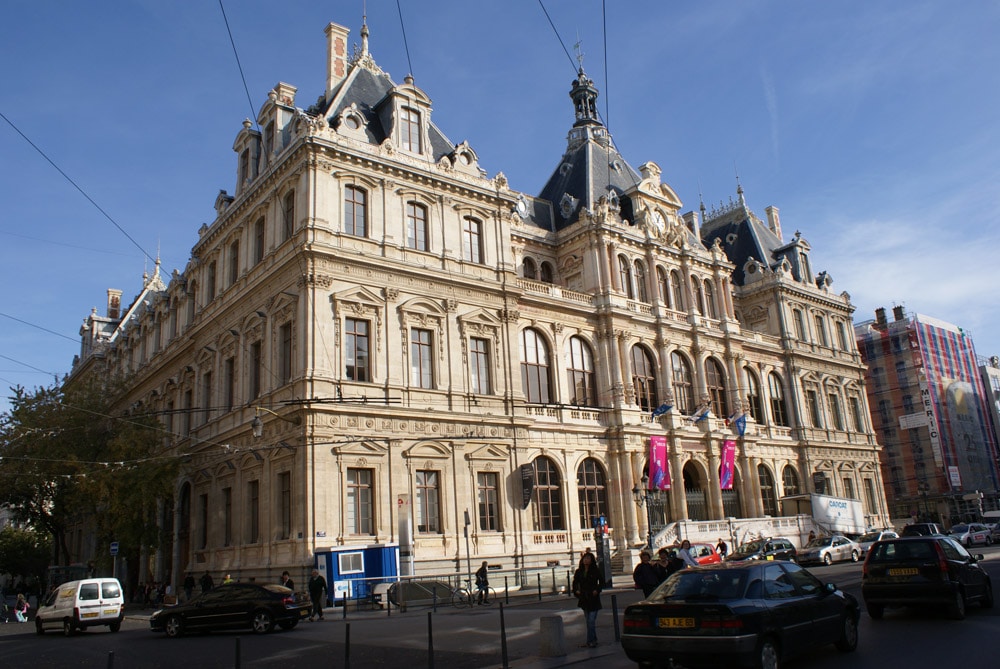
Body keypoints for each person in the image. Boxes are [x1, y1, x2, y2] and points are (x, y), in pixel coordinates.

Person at [571, 551, 605, 648]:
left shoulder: (595, 571)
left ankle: (591, 641)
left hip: (593, 598)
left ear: (591, 560)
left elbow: (602, 582)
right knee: (589, 622)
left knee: (591, 621)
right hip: (584, 598)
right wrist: (576, 591)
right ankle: (592, 640)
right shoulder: (579, 571)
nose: (586, 560)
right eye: (585, 558)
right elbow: (575, 582)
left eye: (588, 558)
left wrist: (597, 590)